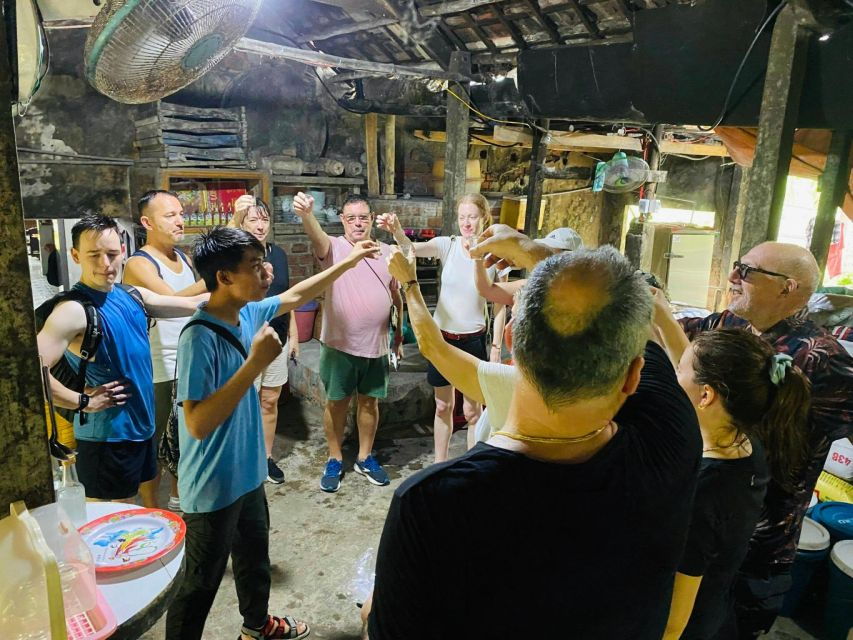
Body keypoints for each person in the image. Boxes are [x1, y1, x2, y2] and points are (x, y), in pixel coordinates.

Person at [368, 225, 702, 639]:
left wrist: (412, 284)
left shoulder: (432, 504)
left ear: (511, 340)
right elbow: (626, 314)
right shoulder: (672, 437)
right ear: (633, 375)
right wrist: (535, 252)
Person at [165, 227, 379, 640]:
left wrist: (349, 261)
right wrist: (254, 365)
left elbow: (296, 295)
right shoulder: (199, 337)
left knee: (253, 561)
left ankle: (257, 627)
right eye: (254, 266)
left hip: (247, 474)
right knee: (198, 586)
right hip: (212, 486)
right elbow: (197, 423)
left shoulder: (246, 312)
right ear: (224, 276)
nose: (266, 272)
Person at [678, 241, 853, 637]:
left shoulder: (823, 359)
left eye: (747, 271)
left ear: (788, 287)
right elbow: (674, 337)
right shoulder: (729, 324)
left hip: (759, 549)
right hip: (704, 528)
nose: (732, 277)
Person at [654, 292, 810, 640]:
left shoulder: (703, 492)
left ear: (706, 396)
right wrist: (662, 318)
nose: (674, 374)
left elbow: (675, 620)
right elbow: (698, 372)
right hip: (717, 607)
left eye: (678, 371)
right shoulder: (747, 442)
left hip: (689, 625)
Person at [36, 213, 207, 508]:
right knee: (107, 518)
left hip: (140, 428)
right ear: (76, 256)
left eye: (112, 254)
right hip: (106, 437)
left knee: (129, 509)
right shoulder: (73, 310)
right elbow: (31, 372)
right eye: (94, 255)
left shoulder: (132, 295)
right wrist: (83, 401)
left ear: (124, 252)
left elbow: (192, 303)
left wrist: (243, 288)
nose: (105, 263)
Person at [292, 192, 402, 492]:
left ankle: (365, 457)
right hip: (339, 345)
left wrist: (398, 337)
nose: (358, 223)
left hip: (376, 345)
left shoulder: (387, 252)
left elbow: (396, 295)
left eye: (363, 218)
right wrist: (307, 215)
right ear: (342, 220)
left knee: (369, 402)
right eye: (351, 218)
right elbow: (316, 235)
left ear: (372, 220)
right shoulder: (334, 248)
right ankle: (335, 457)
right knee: (336, 403)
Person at [377, 194, 496, 461]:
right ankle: (439, 464)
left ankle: (472, 465)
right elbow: (410, 249)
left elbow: (499, 302)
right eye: (462, 217)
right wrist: (397, 231)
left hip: (473, 340)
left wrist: (497, 344)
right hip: (442, 340)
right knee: (443, 405)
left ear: (484, 217)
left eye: (472, 217)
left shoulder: (493, 252)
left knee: (473, 411)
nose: (466, 223)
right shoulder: (447, 245)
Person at [123, 189, 207, 511]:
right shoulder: (139, 263)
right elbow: (175, 301)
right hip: (159, 368)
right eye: (170, 215)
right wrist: (216, 275)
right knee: (155, 443)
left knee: (183, 439)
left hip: (187, 361)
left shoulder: (183, 258)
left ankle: (177, 499)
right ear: (147, 223)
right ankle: (150, 509)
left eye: (181, 214)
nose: (179, 221)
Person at [231, 195, 299, 484]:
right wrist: (234, 219)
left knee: (270, 400)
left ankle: (266, 457)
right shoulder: (234, 254)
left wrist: (294, 336)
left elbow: (286, 298)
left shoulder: (278, 254)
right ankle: (244, 459)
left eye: (265, 219)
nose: (260, 226)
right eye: (253, 220)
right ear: (242, 223)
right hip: (245, 342)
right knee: (243, 403)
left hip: (276, 340)